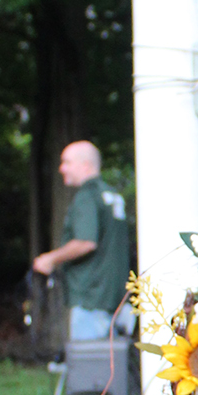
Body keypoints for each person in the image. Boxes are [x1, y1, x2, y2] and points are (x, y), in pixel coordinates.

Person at [32, 140, 133, 340]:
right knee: (114, 364)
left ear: (85, 165)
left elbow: (86, 242)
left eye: (67, 162)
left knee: (89, 365)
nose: (62, 169)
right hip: (118, 297)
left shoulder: (87, 196)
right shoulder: (112, 195)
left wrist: (49, 259)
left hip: (91, 298)